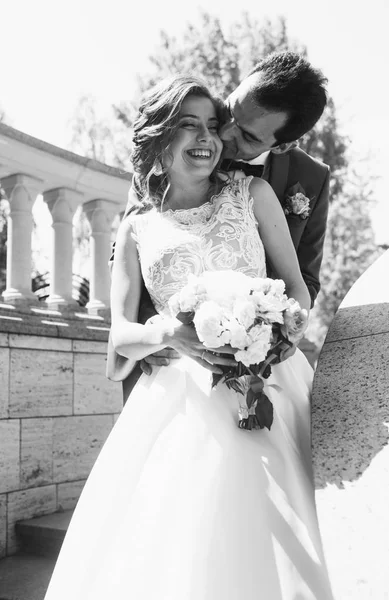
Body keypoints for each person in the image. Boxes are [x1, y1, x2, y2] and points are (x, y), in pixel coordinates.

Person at [45, 75, 334, 600]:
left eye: (211, 126)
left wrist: (272, 331)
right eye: (188, 125)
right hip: (179, 404)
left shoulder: (256, 193)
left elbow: (296, 289)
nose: (211, 136)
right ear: (158, 137)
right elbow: (117, 352)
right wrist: (169, 335)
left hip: (270, 382)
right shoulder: (136, 228)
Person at [107, 51, 330, 401]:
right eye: (230, 110)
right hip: (173, 375)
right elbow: (135, 257)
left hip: (259, 366)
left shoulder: (302, 181)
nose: (222, 133)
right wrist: (166, 333)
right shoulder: (178, 142)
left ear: (283, 145)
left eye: (246, 135)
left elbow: (303, 280)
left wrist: (276, 334)